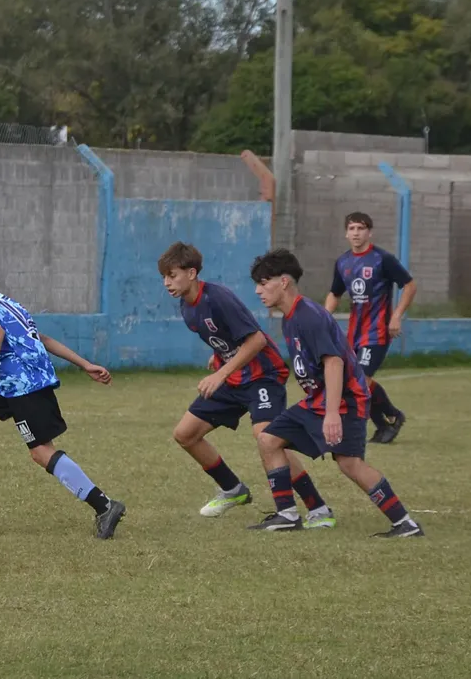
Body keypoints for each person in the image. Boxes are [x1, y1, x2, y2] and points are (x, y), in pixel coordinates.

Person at [0, 252, 126, 540]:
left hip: (24, 381)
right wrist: (84, 364)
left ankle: (105, 506)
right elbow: (39, 338)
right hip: (14, 379)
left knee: (40, 451)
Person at [158, 242, 336, 528]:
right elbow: (227, 337)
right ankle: (232, 489)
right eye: (164, 277)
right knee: (185, 434)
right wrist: (218, 358)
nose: (167, 282)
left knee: (267, 437)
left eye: (172, 275)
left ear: (191, 273)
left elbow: (256, 340)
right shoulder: (186, 306)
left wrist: (220, 374)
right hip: (234, 377)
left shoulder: (218, 298)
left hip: (262, 375)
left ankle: (316, 509)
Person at [249, 249, 423, 537]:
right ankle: (287, 514)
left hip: (345, 402)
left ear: (283, 282)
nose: (258, 290)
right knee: (268, 439)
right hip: (318, 401)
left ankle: (404, 523)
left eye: (263, 283)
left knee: (350, 463)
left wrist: (332, 414)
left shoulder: (309, 316)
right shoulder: (290, 317)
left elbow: (334, 362)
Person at [325, 212, 417, 444]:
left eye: (361, 228)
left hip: (376, 332)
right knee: (353, 381)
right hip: (354, 334)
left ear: (370, 232)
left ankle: (391, 417)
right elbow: (335, 293)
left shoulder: (382, 259)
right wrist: (323, 317)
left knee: (360, 380)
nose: (356, 233)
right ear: (346, 233)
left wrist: (396, 316)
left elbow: (409, 285)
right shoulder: (343, 262)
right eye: (352, 228)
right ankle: (386, 422)